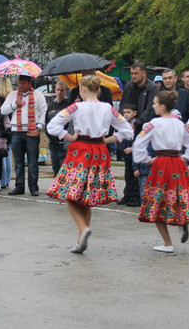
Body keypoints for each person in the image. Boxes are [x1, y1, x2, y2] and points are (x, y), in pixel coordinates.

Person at [46, 75, 133, 253]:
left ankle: (83, 229)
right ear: (98, 90)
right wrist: (108, 140)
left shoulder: (76, 106)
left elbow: (52, 125)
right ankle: (80, 241)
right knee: (86, 196)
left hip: (80, 151)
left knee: (70, 195)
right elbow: (128, 130)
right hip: (99, 152)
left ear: (82, 89)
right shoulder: (108, 108)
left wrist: (68, 136)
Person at [133, 91, 189, 253]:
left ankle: (168, 243)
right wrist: (186, 157)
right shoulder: (180, 124)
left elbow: (139, 143)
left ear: (162, 106)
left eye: (155, 103)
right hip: (177, 163)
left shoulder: (153, 123)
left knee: (157, 202)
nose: (153, 106)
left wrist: (146, 159)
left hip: (161, 164)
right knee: (177, 195)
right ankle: (182, 222)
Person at [118, 62, 160, 203]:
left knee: (140, 162)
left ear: (144, 73)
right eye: (132, 74)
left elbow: (150, 109)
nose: (133, 76)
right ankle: (128, 193)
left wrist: (137, 122)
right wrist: (122, 121)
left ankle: (138, 195)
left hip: (143, 129)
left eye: (136, 73)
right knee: (128, 161)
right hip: (128, 127)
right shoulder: (129, 86)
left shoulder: (152, 88)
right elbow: (123, 104)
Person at [1, 75, 48, 196]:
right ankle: (19, 187)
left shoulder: (38, 95)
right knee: (18, 162)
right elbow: (3, 110)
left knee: (32, 162)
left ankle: (33, 188)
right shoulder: (12, 95)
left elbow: (44, 111)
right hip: (16, 131)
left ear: (29, 83)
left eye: (23, 84)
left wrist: (39, 126)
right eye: (19, 83)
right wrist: (14, 105)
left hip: (32, 131)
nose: (21, 86)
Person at [45, 80, 72, 177]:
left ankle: (64, 187)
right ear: (55, 90)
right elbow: (47, 122)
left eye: (62, 90)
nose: (59, 92)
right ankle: (56, 186)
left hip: (63, 141)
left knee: (64, 165)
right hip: (53, 142)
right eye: (58, 90)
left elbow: (70, 124)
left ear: (66, 92)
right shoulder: (51, 105)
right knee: (55, 165)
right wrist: (50, 136)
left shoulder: (69, 105)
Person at [118, 103, 142, 206]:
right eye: (124, 113)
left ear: (135, 113)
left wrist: (133, 148)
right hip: (127, 153)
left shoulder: (138, 126)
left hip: (135, 154)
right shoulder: (124, 124)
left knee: (134, 175)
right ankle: (127, 195)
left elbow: (141, 139)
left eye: (128, 112)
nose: (126, 115)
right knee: (127, 175)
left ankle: (135, 197)